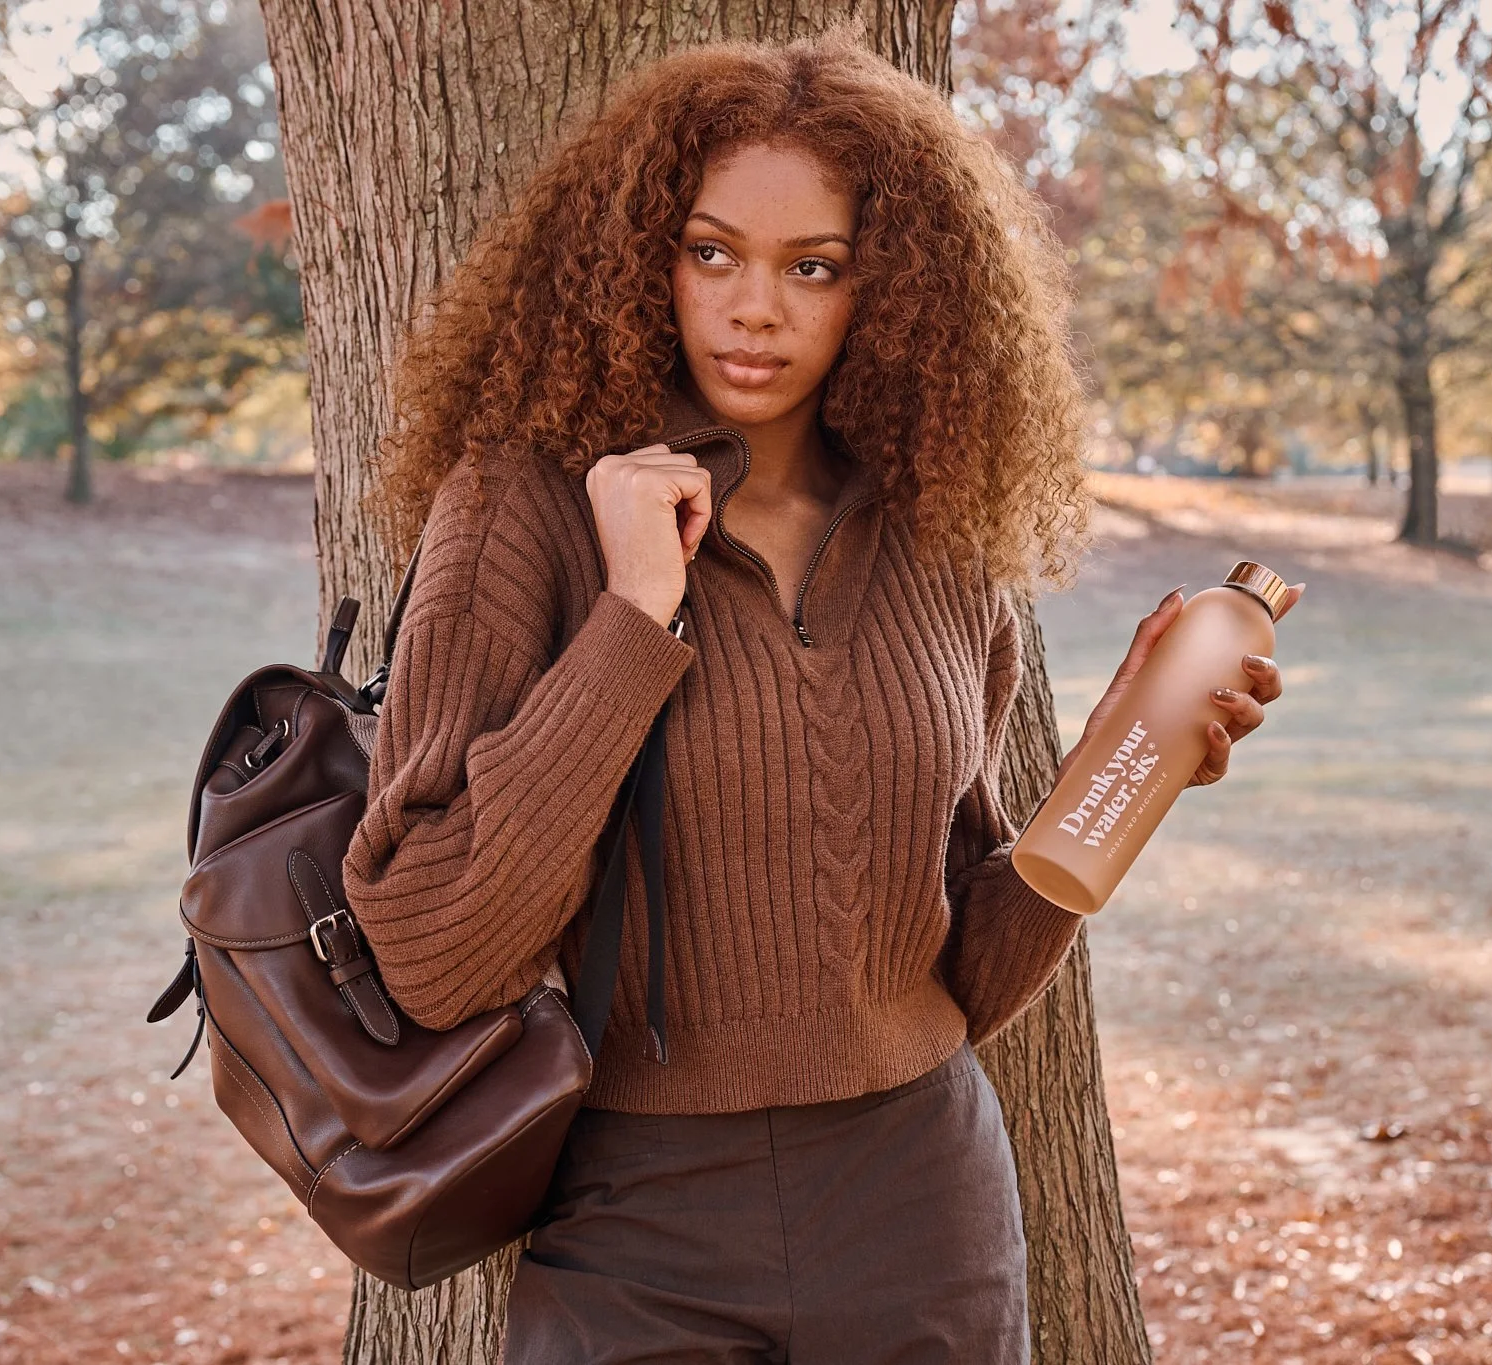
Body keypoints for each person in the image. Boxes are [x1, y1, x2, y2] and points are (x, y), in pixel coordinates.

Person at [342, 28, 1301, 1364]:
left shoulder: (938, 535)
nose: (755, 308)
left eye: (816, 268)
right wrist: (631, 619)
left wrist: (1115, 776)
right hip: (634, 1222)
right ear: (641, 261)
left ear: (888, 289)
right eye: (712, 251)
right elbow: (436, 952)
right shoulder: (523, 511)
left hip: (922, 1210)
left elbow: (958, 969)